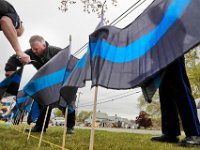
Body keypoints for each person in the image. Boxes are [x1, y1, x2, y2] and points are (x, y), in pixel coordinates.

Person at [5, 35, 76, 134]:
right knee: (43, 101)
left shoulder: (57, 52)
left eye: (36, 49)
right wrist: (10, 68)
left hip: (63, 81)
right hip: (47, 83)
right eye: (32, 49)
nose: (34, 51)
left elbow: (72, 64)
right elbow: (15, 58)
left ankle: (70, 127)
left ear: (43, 45)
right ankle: (40, 127)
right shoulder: (31, 53)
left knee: (68, 104)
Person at [151, 57, 200, 146]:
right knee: (165, 90)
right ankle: (170, 133)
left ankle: (194, 134)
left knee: (180, 86)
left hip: (173, 48)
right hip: (158, 53)